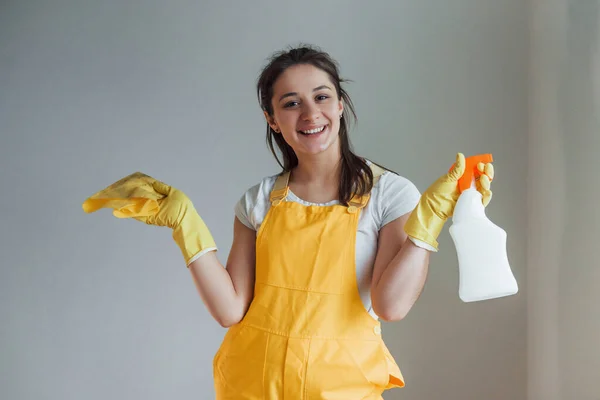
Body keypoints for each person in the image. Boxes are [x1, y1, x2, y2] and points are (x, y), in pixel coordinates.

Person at [88, 45, 494, 399]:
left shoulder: (389, 194)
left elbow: (391, 305)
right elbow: (231, 309)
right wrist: (184, 221)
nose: (310, 113)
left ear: (339, 104)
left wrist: (429, 224)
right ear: (272, 118)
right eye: (291, 102)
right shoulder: (259, 201)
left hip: (340, 390)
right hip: (251, 386)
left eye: (321, 97)